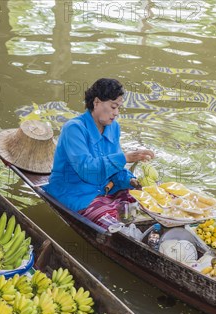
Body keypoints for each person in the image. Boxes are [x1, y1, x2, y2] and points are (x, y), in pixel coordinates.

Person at [43, 78, 155, 227]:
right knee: (114, 222)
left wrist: (130, 180)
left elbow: (115, 169)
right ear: (96, 102)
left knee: (144, 204)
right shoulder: (74, 128)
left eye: (119, 108)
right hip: (75, 192)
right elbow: (87, 170)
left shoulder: (113, 127)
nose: (116, 113)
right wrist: (125, 157)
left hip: (106, 188)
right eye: (113, 107)